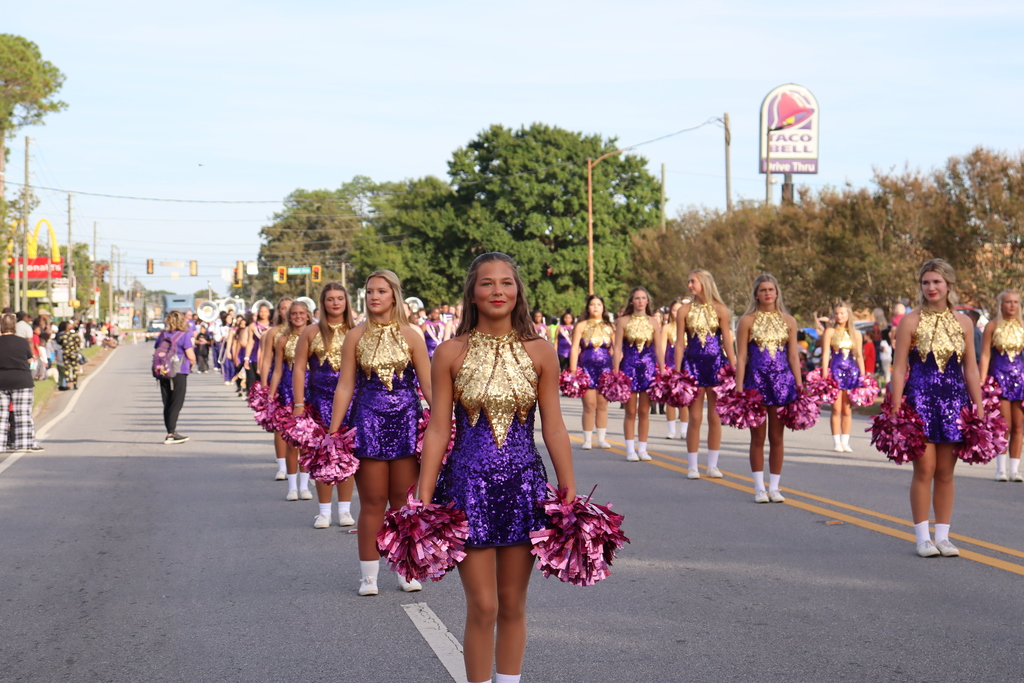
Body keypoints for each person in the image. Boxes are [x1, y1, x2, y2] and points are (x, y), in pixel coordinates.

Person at [418, 252, 575, 683]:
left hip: (524, 487)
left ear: (518, 290)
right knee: (483, 605)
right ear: (472, 291)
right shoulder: (449, 352)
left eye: (506, 282)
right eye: (487, 283)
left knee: (512, 603)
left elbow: (555, 428)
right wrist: (424, 497)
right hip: (467, 489)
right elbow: (437, 430)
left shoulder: (541, 351)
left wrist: (568, 489)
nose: (498, 291)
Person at [327, 270, 432, 595]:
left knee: (403, 502)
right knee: (372, 501)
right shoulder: (355, 336)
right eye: (370, 291)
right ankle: (368, 576)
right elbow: (345, 385)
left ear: (393, 296)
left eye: (381, 291)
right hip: (368, 421)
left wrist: (444, 419)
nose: (374, 296)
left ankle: (406, 569)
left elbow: (427, 384)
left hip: (405, 422)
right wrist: (333, 431)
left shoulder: (412, 334)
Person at [889, 258, 983, 557]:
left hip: (955, 402)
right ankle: (922, 538)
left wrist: (978, 404)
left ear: (948, 286)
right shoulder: (910, 321)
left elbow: (971, 368)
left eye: (937, 282)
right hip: (920, 401)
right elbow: (900, 366)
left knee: (945, 472)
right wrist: (896, 404)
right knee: (924, 469)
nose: (931, 287)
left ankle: (942, 536)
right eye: (926, 282)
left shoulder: (964, 322)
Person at [292, 283, 356, 527]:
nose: (335, 303)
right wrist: (299, 403)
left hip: (351, 401)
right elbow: (299, 368)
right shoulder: (310, 331)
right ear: (322, 302)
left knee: (347, 455)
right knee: (323, 456)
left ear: (346, 301)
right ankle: (324, 512)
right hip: (319, 401)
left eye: (340, 298)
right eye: (330, 299)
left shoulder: (357, 329)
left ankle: (345, 510)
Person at [734, 274, 801, 503]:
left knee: (777, 437)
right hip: (755, 383)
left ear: (777, 292)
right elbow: (741, 356)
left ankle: (774, 487)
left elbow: (793, 355)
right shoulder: (747, 321)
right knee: (757, 437)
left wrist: (799, 384)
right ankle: (759, 488)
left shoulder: (789, 321)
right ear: (756, 294)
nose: (767, 293)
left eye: (771, 289)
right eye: (763, 289)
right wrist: (740, 387)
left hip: (783, 383)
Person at [675, 270, 736, 479]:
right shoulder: (684, 310)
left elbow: (727, 342)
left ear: (704, 283)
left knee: (715, 416)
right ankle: (692, 465)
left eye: (693, 281)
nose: (689, 284)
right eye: (689, 280)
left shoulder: (721, 310)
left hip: (716, 365)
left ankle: (712, 465)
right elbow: (679, 343)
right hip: (692, 366)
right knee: (695, 416)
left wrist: (733, 370)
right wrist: (676, 372)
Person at [268, 300, 314, 501]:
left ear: (307, 315)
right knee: (291, 441)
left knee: (307, 441)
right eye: (294, 313)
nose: (297, 316)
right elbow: (277, 369)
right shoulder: (283, 339)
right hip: (288, 393)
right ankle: (292, 486)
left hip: (311, 392)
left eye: (301, 313)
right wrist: (270, 393)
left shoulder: (315, 337)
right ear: (289, 316)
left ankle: (305, 486)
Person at [612, 286, 663, 462]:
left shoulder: (654, 322)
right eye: (637, 298)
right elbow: (617, 347)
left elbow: (658, 348)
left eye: (643, 298)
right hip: (629, 367)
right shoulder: (623, 321)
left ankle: (642, 448)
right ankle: (629, 449)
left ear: (647, 301)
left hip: (649, 369)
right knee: (630, 411)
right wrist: (616, 371)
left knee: (644, 411)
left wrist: (662, 370)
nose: (641, 301)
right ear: (631, 301)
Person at [980, 290, 1024, 482]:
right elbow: (985, 355)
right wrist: (982, 381)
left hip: (1020, 380)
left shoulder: (1023, 326)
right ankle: (1001, 469)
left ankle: (1015, 470)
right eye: (1008, 302)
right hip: (999, 379)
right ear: (1001, 304)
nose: (1012, 306)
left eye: (1015, 302)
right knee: (1003, 425)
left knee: (1018, 427)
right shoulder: (992, 326)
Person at [568, 295, 615, 450]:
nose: (595, 307)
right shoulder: (581, 325)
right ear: (588, 307)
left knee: (602, 405)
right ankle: (587, 439)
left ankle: (601, 438)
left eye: (599, 304)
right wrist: (574, 371)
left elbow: (616, 349)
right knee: (589, 405)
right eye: (592, 304)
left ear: (603, 307)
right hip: (586, 369)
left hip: (605, 370)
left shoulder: (610, 326)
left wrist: (616, 369)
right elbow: (575, 348)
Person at [821, 303, 866, 453]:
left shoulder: (856, 334)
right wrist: (825, 374)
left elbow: (859, 355)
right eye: (837, 313)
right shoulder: (830, 332)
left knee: (847, 409)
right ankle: (836, 441)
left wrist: (863, 376)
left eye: (842, 313)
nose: (839, 316)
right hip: (835, 371)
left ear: (848, 315)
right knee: (836, 408)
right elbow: (826, 353)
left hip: (851, 372)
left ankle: (845, 441)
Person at [259, 298, 294, 480]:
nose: (286, 311)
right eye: (282, 308)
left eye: (289, 308)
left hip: (302, 382)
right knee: (280, 426)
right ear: (278, 311)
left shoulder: (307, 331)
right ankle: (282, 466)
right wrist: (264, 386)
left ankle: (302, 468)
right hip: (280, 381)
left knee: (302, 427)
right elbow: (266, 359)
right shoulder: (272, 332)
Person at [0, 313, 43, 453]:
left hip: (1, 380)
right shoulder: (22, 342)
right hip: (21, 380)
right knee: (23, 414)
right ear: (15, 326)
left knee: (1, 415)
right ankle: (25, 444)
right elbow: (30, 359)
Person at [154, 311, 196, 444]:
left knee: (167, 402)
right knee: (177, 402)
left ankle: (170, 431)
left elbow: (157, 349)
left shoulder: (163, 335)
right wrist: (191, 366)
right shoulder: (184, 336)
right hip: (179, 371)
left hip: (163, 371)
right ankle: (171, 433)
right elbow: (190, 356)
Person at [243, 302, 272, 394]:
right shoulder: (253, 326)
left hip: (269, 357)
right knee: (254, 381)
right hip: (254, 357)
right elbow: (250, 342)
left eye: (265, 311)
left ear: (269, 313)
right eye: (261, 311)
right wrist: (246, 358)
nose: (263, 314)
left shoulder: (273, 326)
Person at [58, 320, 83, 390]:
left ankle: (68, 383)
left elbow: (60, 343)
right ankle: (75, 384)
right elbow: (79, 343)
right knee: (75, 368)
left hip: (65, 353)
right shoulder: (75, 335)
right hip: (73, 353)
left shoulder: (63, 335)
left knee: (67, 369)